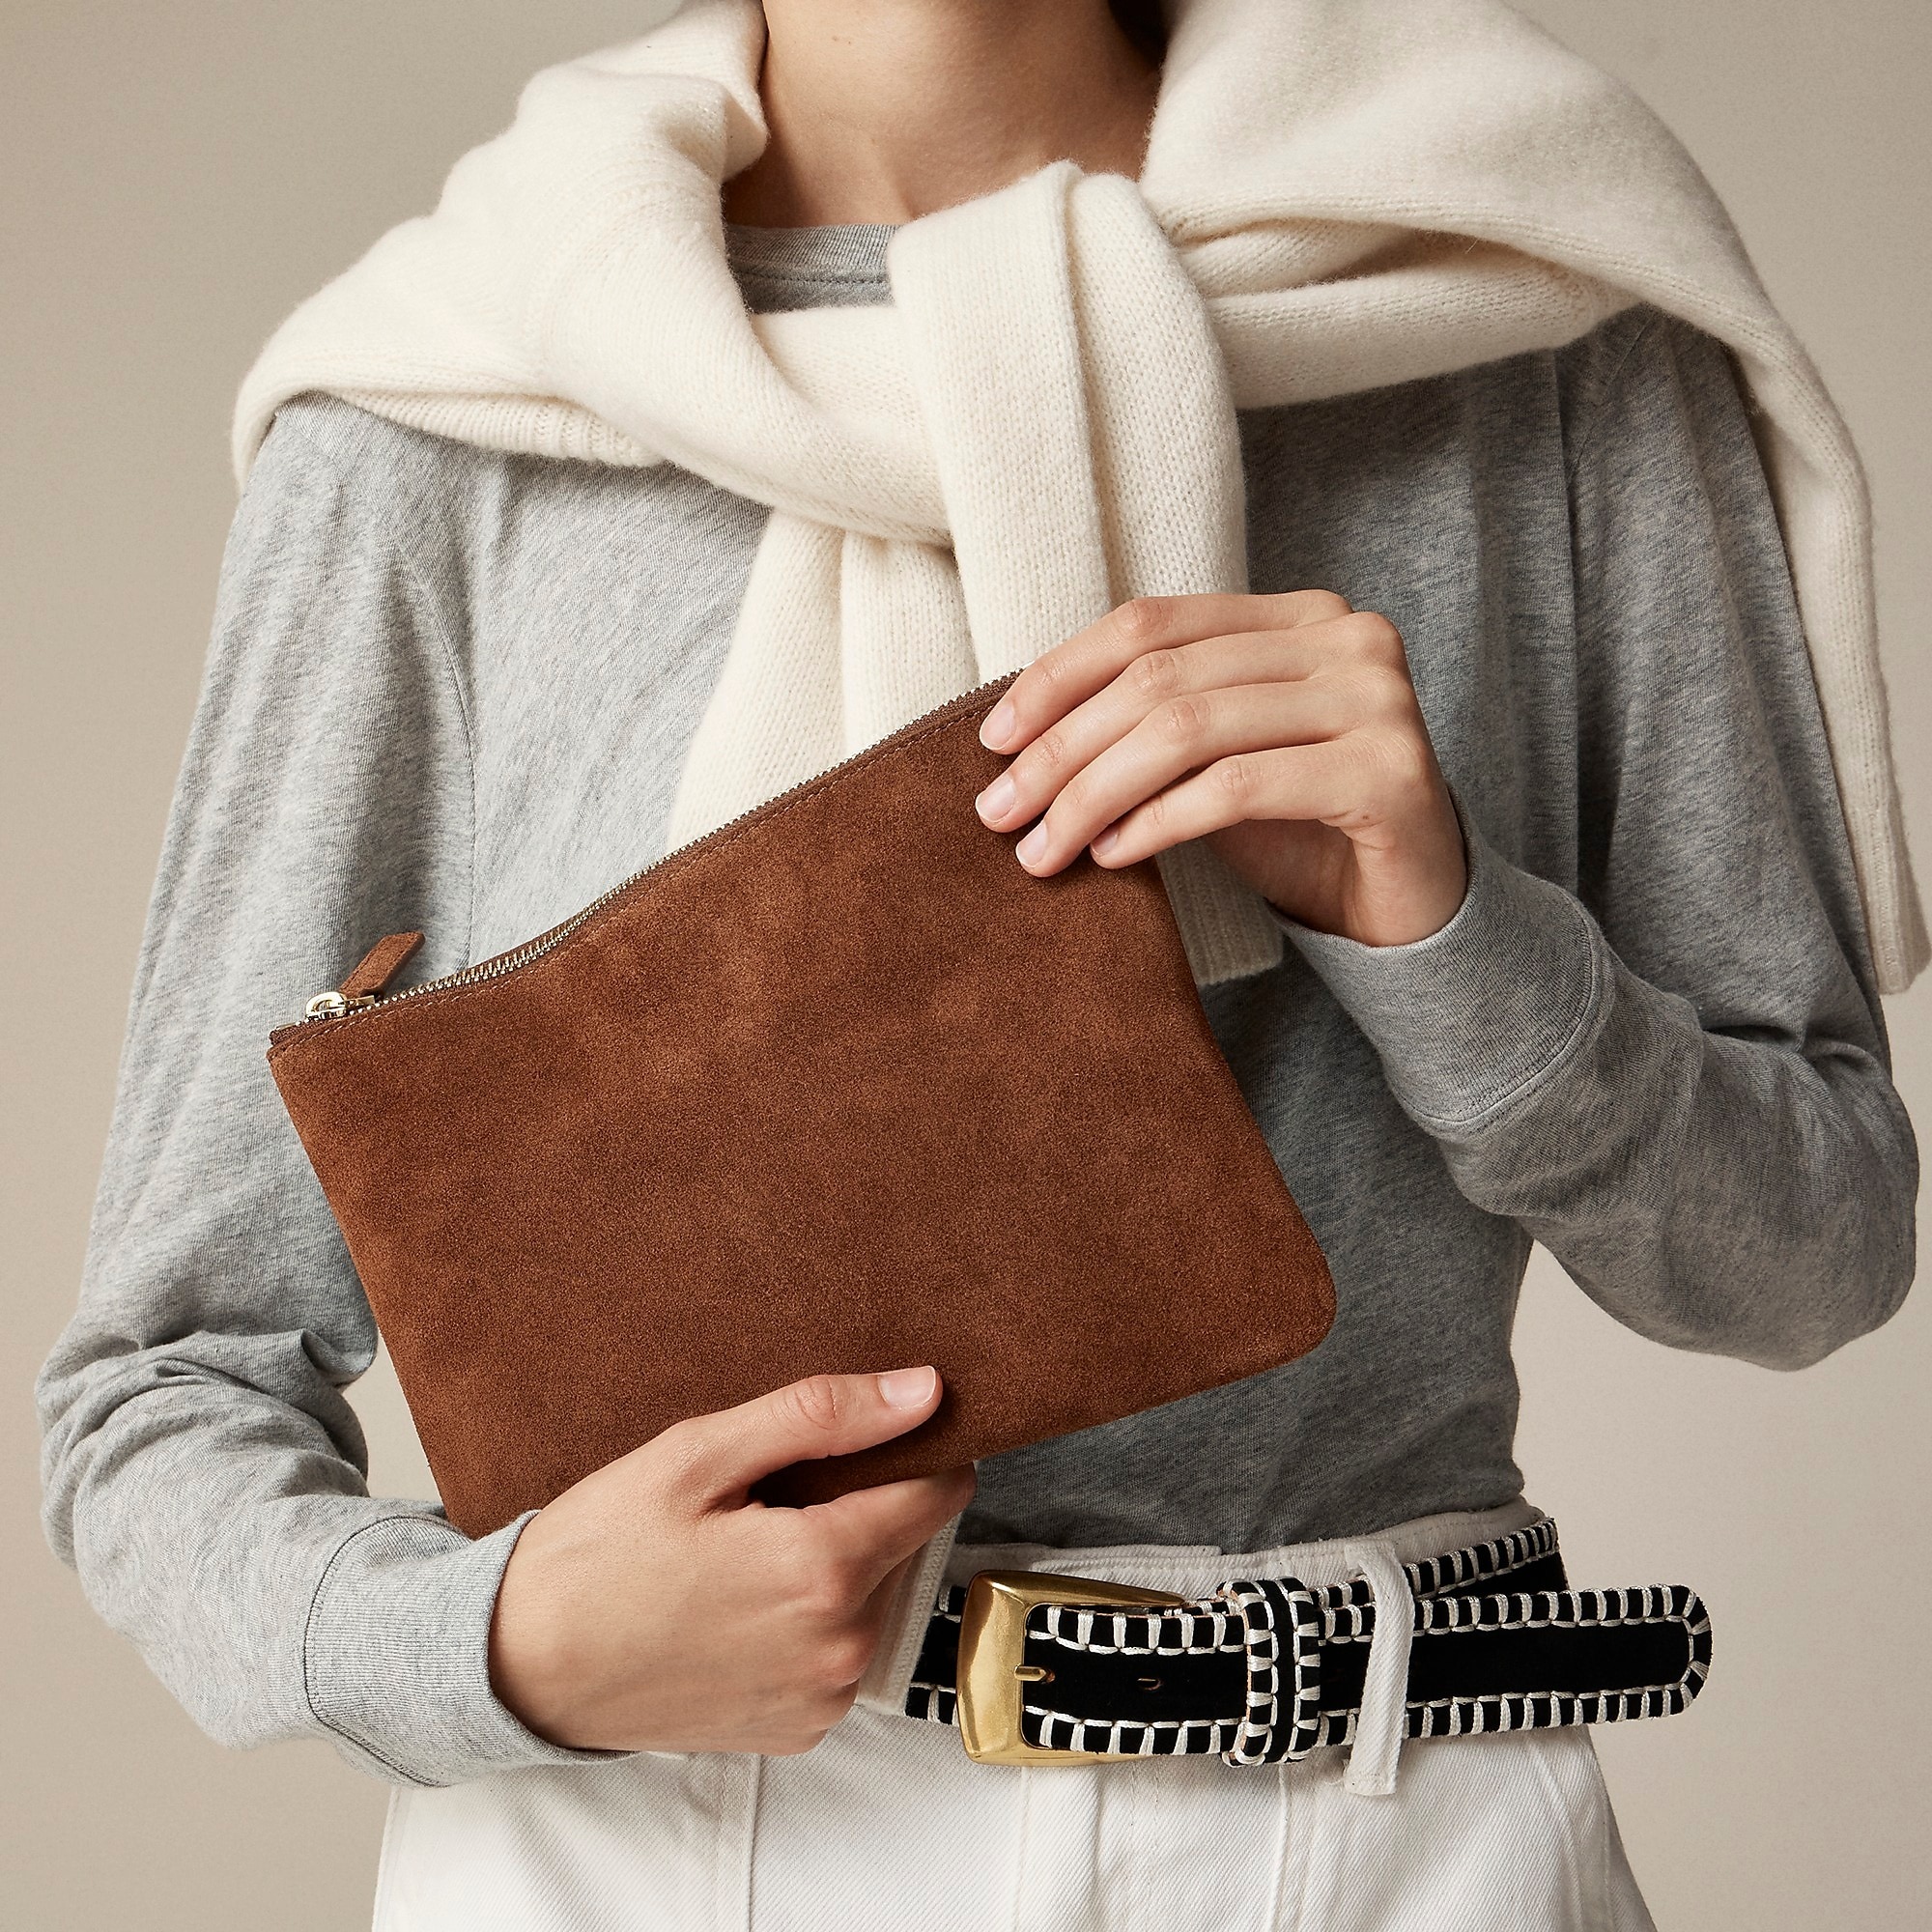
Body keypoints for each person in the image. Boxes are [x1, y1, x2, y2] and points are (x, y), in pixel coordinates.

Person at [38, 0, 1919, 1926]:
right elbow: (156, 1391)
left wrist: (1445, 931)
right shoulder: (432, 411)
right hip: (643, 1849)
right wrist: (491, 1646)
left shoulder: (1524, 303)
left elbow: (1814, 1253)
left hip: (1382, 1839)